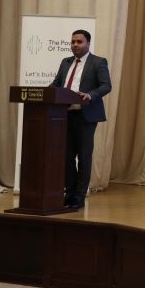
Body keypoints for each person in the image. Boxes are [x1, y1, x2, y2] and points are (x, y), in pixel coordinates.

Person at [50, 29, 112, 209]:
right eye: (73, 42)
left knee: (84, 156)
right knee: (66, 157)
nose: (75, 45)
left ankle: (79, 196)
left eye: (79, 42)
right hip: (64, 115)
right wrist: (43, 93)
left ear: (88, 43)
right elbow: (56, 84)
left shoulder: (98, 62)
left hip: (86, 116)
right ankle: (69, 194)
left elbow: (106, 86)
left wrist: (90, 95)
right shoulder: (65, 62)